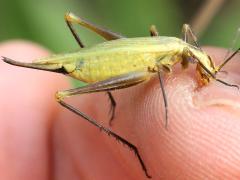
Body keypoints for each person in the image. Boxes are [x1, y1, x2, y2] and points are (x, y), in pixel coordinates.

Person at [0, 40, 240, 179]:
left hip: (128, 56)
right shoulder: (176, 51)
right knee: (63, 97)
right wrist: (165, 107)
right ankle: (133, 147)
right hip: (111, 62)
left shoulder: (181, 47)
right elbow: (158, 70)